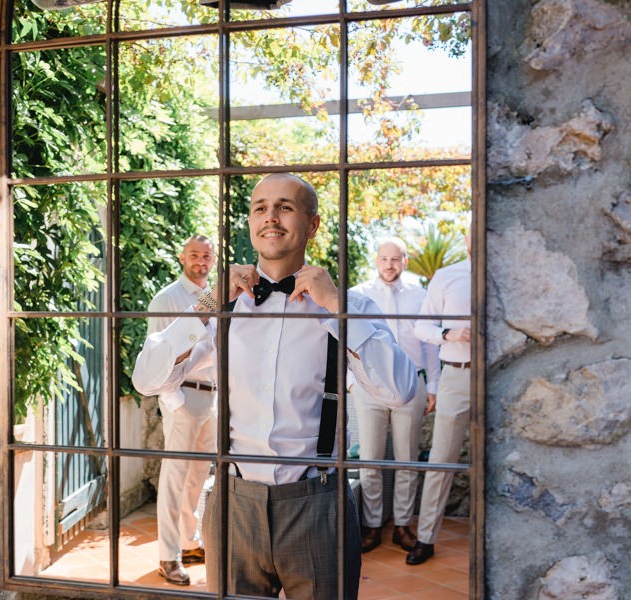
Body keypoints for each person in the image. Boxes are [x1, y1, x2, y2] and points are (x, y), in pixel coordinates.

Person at [132, 173, 417, 599]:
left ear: (312, 224)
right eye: (260, 208)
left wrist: (336, 310)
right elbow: (147, 378)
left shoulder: (349, 305)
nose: (271, 217)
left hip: (318, 505)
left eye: (284, 207)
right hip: (233, 503)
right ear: (250, 222)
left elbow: (401, 390)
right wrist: (209, 306)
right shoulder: (224, 305)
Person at [349, 237, 440, 553]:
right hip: (367, 386)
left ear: (405, 260)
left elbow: (429, 345)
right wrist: (350, 382)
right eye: (384, 258)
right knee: (370, 459)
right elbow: (343, 338)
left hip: (411, 384)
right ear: (376, 260)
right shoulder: (358, 295)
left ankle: (402, 525)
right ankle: (372, 526)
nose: (390, 265)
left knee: (406, 458)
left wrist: (434, 388)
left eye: (396, 259)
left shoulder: (420, 295)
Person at [145, 235, 218, 586]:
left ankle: (190, 543)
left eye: (206, 255)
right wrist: (178, 404)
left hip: (212, 399)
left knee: (198, 477)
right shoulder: (168, 298)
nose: (201, 261)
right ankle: (168, 556)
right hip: (183, 399)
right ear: (181, 256)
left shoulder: (213, 298)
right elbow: (157, 357)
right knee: (174, 479)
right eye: (194, 255)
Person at [406, 233, 472, 566]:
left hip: (502, 377)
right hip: (457, 374)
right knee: (441, 459)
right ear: (466, 235)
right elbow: (420, 326)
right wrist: (449, 334)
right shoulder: (448, 276)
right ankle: (426, 538)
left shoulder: (506, 272)